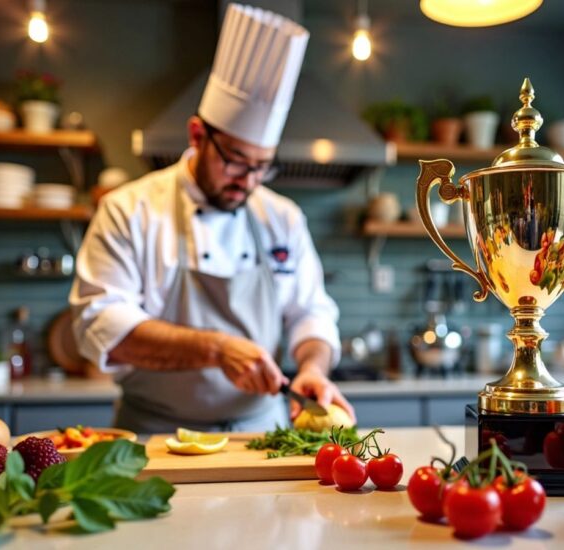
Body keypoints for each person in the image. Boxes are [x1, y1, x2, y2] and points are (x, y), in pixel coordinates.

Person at [69, 3, 355, 433]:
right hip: (154, 434)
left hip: (263, 431)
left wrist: (313, 367)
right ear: (197, 136)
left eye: (263, 166)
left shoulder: (282, 216)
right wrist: (215, 349)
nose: (249, 181)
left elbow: (310, 313)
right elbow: (99, 325)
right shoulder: (129, 210)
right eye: (236, 161)